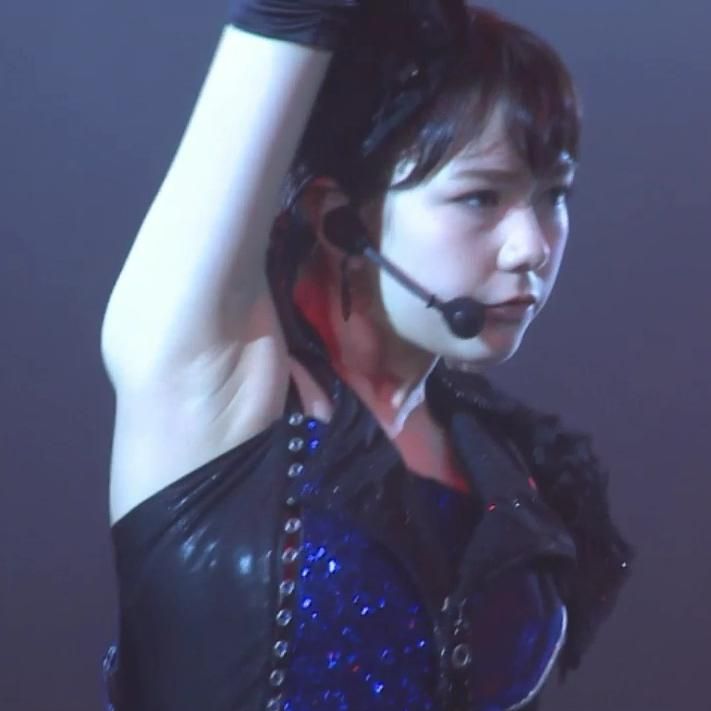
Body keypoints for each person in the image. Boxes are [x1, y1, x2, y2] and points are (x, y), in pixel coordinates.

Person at [99, 1, 633, 709]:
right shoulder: (211, 382)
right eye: (480, 197)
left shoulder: (512, 469)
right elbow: (287, 15)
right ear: (339, 220)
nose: (531, 247)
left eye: (552, 196)